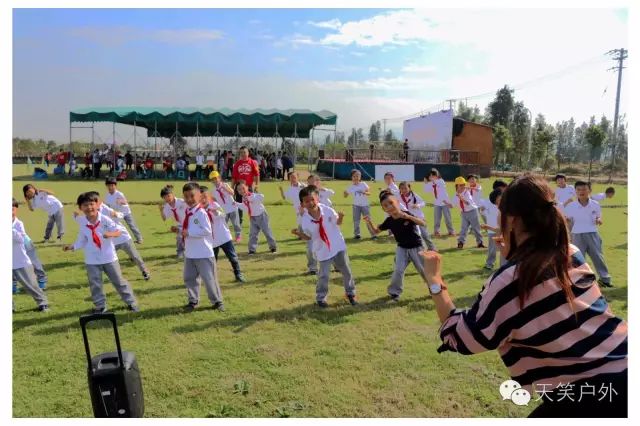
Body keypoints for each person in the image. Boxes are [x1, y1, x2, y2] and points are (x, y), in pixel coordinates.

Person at [422, 174, 627, 418]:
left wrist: (435, 282)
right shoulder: (570, 253)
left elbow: (462, 338)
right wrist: (515, 255)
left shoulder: (509, 281)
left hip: (595, 393)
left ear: (512, 220)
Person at [62, 192, 139, 313]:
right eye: (85, 205)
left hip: (109, 257)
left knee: (119, 281)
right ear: (81, 208)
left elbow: (118, 231)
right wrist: (72, 246)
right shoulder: (82, 222)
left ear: (97, 205)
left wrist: (110, 234)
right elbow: (82, 239)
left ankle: (131, 302)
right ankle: (100, 306)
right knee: (95, 284)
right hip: (91, 259)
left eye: (91, 204)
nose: (89, 208)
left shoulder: (104, 219)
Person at [293, 185, 357, 308]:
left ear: (317, 198)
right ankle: (321, 298)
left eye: (312, 199)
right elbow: (309, 237)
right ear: (302, 204)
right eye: (307, 201)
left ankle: (351, 293)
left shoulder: (327, 210)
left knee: (346, 271)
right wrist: (300, 234)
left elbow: (338, 222)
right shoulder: (305, 220)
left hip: (337, 245)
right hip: (322, 250)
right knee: (324, 275)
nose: (310, 203)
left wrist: (341, 217)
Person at [363, 190, 430, 301]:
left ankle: (435, 289)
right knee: (398, 270)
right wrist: (369, 222)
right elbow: (375, 231)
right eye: (385, 206)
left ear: (397, 202)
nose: (389, 207)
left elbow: (423, 223)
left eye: (391, 203)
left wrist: (407, 217)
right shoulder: (389, 221)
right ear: (383, 209)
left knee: (424, 270)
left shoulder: (406, 214)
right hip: (401, 248)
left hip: (417, 247)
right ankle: (394, 292)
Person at [73, 192, 150, 281]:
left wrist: (116, 214)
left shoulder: (105, 209)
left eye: (95, 202)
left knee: (135, 256)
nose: (92, 205)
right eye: (90, 203)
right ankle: (116, 279)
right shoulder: (90, 214)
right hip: (110, 242)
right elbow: (82, 220)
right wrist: (76, 216)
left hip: (123, 238)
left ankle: (144, 271)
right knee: (109, 261)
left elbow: (121, 215)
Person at [180, 182, 224, 312]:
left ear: (199, 195)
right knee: (189, 278)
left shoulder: (201, 213)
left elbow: (207, 230)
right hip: (190, 253)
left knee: (209, 279)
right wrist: (179, 229)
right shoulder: (187, 211)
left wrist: (189, 233)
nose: (189, 199)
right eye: (186, 196)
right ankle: (193, 301)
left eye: (192, 196)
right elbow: (188, 227)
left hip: (203, 253)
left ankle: (217, 301)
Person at [564, 181, 612, 288]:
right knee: (577, 259)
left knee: (598, 257)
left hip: (593, 234)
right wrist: (568, 229)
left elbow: (599, 217)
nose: (581, 192)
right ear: (575, 191)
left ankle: (605, 279)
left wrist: (599, 220)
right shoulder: (571, 206)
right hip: (577, 235)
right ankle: (578, 280)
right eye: (579, 190)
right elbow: (568, 221)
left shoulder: (595, 204)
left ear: (589, 191)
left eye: (584, 189)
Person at [199, 186, 245, 283]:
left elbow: (224, 215)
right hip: (211, 241)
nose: (203, 200)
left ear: (209, 197)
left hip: (224, 237)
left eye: (205, 197)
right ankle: (211, 278)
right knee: (212, 260)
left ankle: (238, 274)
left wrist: (216, 212)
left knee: (233, 257)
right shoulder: (199, 212)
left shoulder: (215, 205)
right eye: (200, 198)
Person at [13, 199, 49, 312]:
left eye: (11, 208)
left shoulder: (18, 224)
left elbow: (20, 238)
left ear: (16, 209)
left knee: (30, 283)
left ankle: (42, 303)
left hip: (20, 260)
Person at [280, 172, 316, 275]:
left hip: (309, 210)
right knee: (304, 227)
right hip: (299, 211)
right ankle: (305, 237)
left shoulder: (304, 186)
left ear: (298, 178)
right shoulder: (289, 189)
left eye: (294, 177)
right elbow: (284, 198)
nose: (293, 179)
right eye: (291, 177)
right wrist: (281, 191)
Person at [236, 181, 277, 254]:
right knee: (253, 234)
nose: (241, 190)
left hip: (261, 216)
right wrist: (236, 204)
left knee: (267, 232)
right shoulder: (243, 198)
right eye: (239, 189)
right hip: (252, 217)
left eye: (243, 188)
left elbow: (262, 197)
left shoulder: (252, 195)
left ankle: (273, 248)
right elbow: (245, 207)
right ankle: (252, 250)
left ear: (247, 187)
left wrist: (250, 198)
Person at [398, 181, 436, 251]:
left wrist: (417, 205)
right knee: (415, 235)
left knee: (425, 234)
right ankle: (420, 249)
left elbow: (423, 203)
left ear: (409, 188)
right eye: (402, 189)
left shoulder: (414, 195)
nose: (404, 190)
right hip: (408, 219)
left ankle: (432, 248)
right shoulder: (399, 197)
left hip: (419, 218)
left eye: (405, 188)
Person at [104, 177, 143, 244]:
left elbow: (125, 201)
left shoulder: (119, 194)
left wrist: (121, 201)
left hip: (126, 212)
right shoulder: (107, 196)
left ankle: (139, 239)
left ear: (115, 186)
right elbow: (107, 206)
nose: (110, 187)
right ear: (107, 186)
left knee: (132, 225)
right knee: (115, 226)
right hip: (117, 214)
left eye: (112, 185)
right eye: (109, 185)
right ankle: (118, 240)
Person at [209, 171, 242, 243]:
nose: (214, 180)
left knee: (236, 223)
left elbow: (232, 193)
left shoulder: (225, 185)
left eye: (215, 178)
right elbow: (214, 200)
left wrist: (225, 188)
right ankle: (226, 237)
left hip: (232, 207)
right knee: (224, 224)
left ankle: (238, 236)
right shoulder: (213, 190)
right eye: (212, 179)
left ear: (219, 178)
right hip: (223, 210)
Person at [453, 176, 485, 249]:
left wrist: (461, 198)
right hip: (464, 213)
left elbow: (467, 203)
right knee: (463, 229)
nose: (462, 186)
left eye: (463, 184)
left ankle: (480, 243)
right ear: (456, 185)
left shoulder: (467, 192)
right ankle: (460, 242)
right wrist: (446, 203)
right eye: (460, 185)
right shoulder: (456, 194)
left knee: (476, 228)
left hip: (472, 212)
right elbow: (452, 204)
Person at [343, 169, 375, 240]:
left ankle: (373, 234)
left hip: (365, 205)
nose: (356, 178)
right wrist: (345, 193)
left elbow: (369, 193)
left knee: (367, 219)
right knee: (356, 220)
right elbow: (345, 196)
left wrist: (364, 193)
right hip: (356, 206)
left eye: (357, 176)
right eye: (354, 176)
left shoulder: (363, 184)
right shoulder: (351, 187)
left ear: (360, 177)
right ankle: (357, 234)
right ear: (352, 177)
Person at [159, 185, 187, 259]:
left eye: (168, 196)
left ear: (172, 194)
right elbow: (164, 218)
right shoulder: (166, 207)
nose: (167, 198)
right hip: (179, 225)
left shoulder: (182, 202)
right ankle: (180, 252)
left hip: (188, 222)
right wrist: (161, 211)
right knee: (179, 237)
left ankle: (189, 251)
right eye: (165, 197)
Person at [424, 168, 455, 236]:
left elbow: (439, 188)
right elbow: (426, 190)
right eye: (431, 176)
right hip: (437, 203)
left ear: (437, 175)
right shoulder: (431, 183)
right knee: (437, 219)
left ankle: (451, 231)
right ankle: (436, 231)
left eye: (433, 175)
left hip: (445, 202)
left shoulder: (441, 181)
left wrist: (432, 181)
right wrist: (426, 183)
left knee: (447, 218)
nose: (431, 177)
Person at [479, 189, 504, 270]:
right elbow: (500, 230)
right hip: (500, 235)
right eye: (497, 203)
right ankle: (490, 264)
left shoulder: (510, 210)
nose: (499, 205)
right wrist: (488, 227)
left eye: (500, 200)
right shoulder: (500, 213)